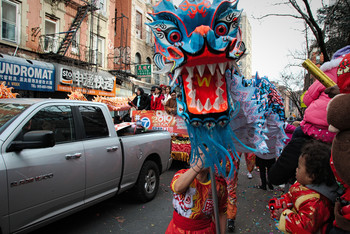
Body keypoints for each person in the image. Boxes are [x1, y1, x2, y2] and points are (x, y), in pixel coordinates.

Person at [269, 140, 339, 233]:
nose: (296, 169)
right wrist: (282, 203)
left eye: (299, 167)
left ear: (311, 176)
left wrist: (283, 214)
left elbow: (303, 228)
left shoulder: (316, 202)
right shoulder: (303, 184)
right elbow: (291, 195)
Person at [165, 145, 228, 234]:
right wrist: (199, 165)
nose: (202, 158)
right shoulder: (181, 175)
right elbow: (178, 188)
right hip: (178, 230)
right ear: (190, 160)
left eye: (205, 155)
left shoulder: (219, 185)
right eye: (197, 155)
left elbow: (221, 212)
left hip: (205, 230)